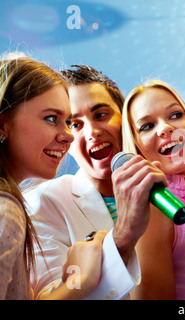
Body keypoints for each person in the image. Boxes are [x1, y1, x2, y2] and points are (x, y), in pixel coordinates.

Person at [24, 65, 167, 299]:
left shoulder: (166, 185)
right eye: (75, 124)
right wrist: (123, 237)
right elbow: (51, 294)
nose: (92, 132)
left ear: (127, 120)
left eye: (100, 115)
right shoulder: (43, 204)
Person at [0, 56, 107, 299]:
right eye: (51, 118)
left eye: (67, 122)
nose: (69, 135)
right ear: (3, 125)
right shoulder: (6, 211)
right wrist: (80, 281)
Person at [120, 79, 185, 299]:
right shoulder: (155, 208)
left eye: (175, 115)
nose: (166, 128)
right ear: (137, 145)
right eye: (147, 126)